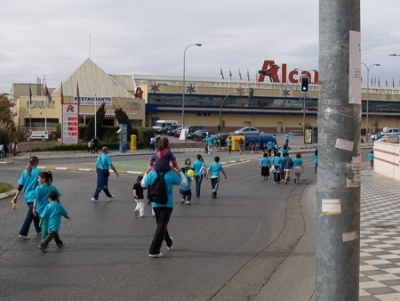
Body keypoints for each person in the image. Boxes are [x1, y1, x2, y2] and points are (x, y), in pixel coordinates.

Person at [141, 165, 188, 258]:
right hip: (167, 204)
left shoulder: (152, 173)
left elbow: (143, 184)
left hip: (155, 203)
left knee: (161, 225)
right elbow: (185, 183)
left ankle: (168, 241)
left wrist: (147, 171)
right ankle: (154, 250)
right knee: (161, 226)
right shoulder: (170, 174)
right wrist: (180, 171)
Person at [12, 156, 41, 239]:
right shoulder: (38, 172)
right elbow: (40, 185)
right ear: (36, 163)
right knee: (30, 214)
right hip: (34, 196)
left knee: (34, 212)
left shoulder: (25, 172)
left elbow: (20, 186)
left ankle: (39, 229)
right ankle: (23, 233)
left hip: (27, 196)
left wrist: (16, 196)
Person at [33, 171, 62, 241]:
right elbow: (58, 199)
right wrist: (59, 207)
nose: (38, 180)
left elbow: (36, 199)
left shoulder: (38, 188)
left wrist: (34, 209)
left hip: (42, 210)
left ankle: (43, 240)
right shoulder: (53, 188)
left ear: (44, 179)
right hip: (52, 210)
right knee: (53, 225)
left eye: (39, 178)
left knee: (44, 226)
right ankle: (58, 241)